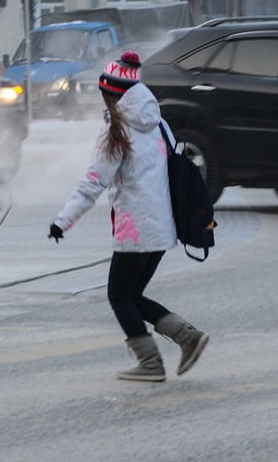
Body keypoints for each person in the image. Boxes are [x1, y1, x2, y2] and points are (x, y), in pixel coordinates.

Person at [47, 51, 209, 382]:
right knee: (133, 295)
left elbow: (92, 184)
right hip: (163, 227)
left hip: (135, 230)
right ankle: (187, 336)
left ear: (112, 95)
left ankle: (150, 363)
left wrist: (62, 221)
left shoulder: (116, 133)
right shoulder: (158, 124)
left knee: (119, 296)